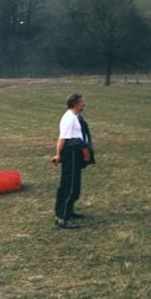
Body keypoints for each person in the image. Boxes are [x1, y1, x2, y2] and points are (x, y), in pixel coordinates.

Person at [51, 93, 94, 229]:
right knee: (71, 186)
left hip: (73, 153)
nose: (84, 103)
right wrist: (58, 154)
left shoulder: (73, 117)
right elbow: (66, 139)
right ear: (75, 104)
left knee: (67, 184)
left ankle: (63, 212)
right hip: (73, 153)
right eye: (82, 102)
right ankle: (64, 218)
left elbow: (67, 137)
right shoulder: (70, 118)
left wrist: (59, 154)